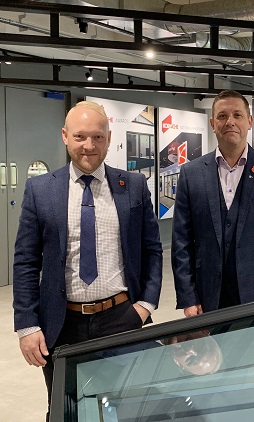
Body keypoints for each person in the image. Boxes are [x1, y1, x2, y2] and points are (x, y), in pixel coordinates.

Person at [12, 101, 163, 419]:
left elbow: (152, 249)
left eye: (97, 137)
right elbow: (26, 260)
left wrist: (145, 306)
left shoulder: (132, 186)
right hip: (62, 323)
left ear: (109, 138)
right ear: (65, 136)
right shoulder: (40, 190)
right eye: (80, 136)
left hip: (122, 318)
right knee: (66, 411)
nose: (89, 146)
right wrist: (27, 325)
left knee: (131, 407)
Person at [172, 90, 254, 317]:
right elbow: (181, 241)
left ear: (249, 121)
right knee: (211, 353)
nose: (229, 121)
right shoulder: (191, 173)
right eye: (222, 116)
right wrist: (188, 297)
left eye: (237, 115)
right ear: (212, 123)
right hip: (208, 295)